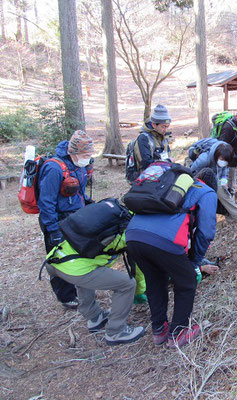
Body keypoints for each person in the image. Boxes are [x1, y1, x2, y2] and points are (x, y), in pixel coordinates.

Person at [125, 168, 218, 348]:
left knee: (155, 280)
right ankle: (178, 332)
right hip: (164, 240)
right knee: (187, 281)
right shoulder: (207, 192)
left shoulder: (171, 187)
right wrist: (195, 260)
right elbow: (206, 232)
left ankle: (159, 330)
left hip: (133, 236)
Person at [45, 232, 145, 345]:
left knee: (85, 267)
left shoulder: (106, 217)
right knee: (127, 284)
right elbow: (137, 268)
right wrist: (139, 292)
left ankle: (94, 317)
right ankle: (116, 331)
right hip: (74, 267)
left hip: (55, 259)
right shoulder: (128, 231)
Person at [37, 130, 94, 309]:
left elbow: (79, 192)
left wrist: (88, 204)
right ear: (74, 152)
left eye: (90, 154)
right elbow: (46, 202)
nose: (88, 158)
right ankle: (66, 297)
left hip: (75, 218)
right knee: (60, 259)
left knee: (77, 255)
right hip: (58, 221)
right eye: (85, 155)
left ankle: (80, 290)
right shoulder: (53, 168)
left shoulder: (78, 166)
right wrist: (52, 229)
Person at [190, 140, 237, 224]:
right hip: (200, 175)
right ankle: (236, 215)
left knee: (224, 191)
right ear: (217, 155)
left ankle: (233, 213)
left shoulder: (226, 157)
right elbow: (192, 170)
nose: (223, 161)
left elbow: (225, 171)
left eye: (226, 160)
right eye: (222, 159)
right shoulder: (204, 159)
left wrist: (223, 182)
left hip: (213, 175)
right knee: (215, 193)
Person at [133, 104, 172, 172]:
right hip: (146, 178)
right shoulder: (144, 139)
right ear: (154, 124)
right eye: (163, 126)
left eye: (167, 126)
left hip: (162, 175)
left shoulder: (162, 137)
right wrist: (168, 161)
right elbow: (147, 165)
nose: (165, 130)